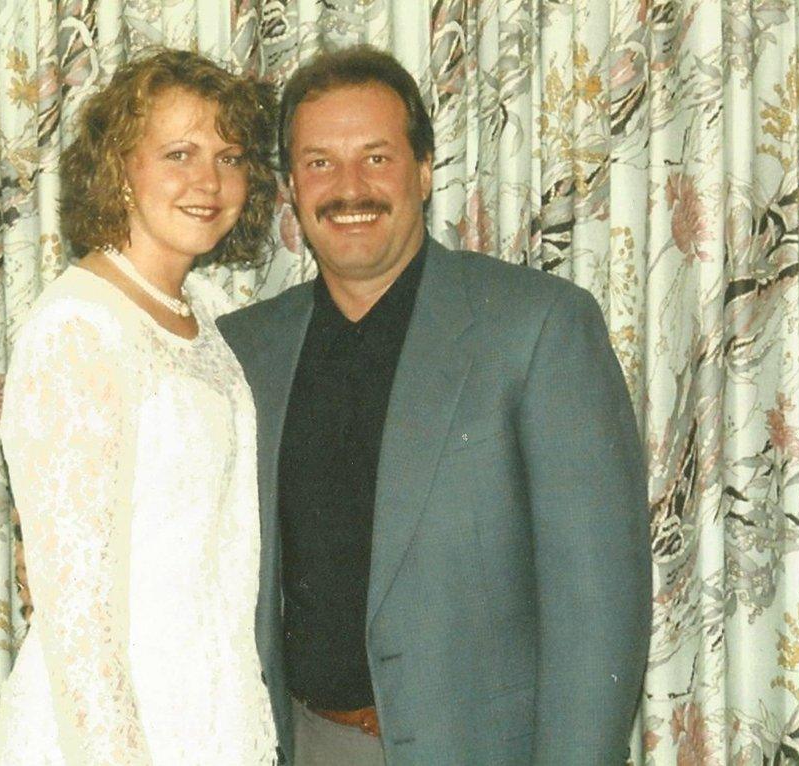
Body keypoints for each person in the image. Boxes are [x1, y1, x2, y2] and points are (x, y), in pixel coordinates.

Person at [217, 45, 652, 766]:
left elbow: (599, 607)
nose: (348, 187)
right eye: (320, 162)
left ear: (423, 170)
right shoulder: (244, 349)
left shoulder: (538, 327)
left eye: (377, 157)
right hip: (300, 744)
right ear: (291, 186)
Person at [0, 49, 278, 765]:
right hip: (107, 736)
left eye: (229, 156)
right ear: (120, 168)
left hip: (210, 719)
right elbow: (76, 617)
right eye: (178, 154)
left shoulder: (202, 312)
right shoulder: (79, 327)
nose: (209, 182)